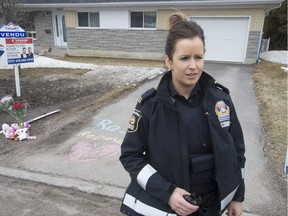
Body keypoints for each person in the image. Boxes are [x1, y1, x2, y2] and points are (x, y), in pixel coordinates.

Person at [119, 13, 245, 216]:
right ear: (168, 61)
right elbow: (130, 156)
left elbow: (237, 153)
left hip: (213, 208)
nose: (193, 66)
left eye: (199, 57)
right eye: (184, 58)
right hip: (167, 208)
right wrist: (167, 193)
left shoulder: (221, 102)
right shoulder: (150, 107)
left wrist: (238, 197)